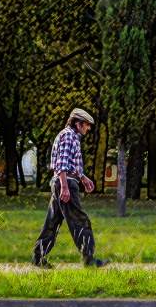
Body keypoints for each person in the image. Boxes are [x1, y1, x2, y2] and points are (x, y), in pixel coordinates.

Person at [32, 108, 109, 268]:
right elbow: (62, 163)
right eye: (87, 125)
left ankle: (38, 257)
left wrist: (83, 177)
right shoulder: (68, 136)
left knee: (52, 222)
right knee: (80, 220)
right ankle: (89, 259)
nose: (88, 128)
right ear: (78, 123)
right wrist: (65, 187)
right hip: (64, 182)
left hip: (62, 181)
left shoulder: (71, 136)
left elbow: (70, 163)